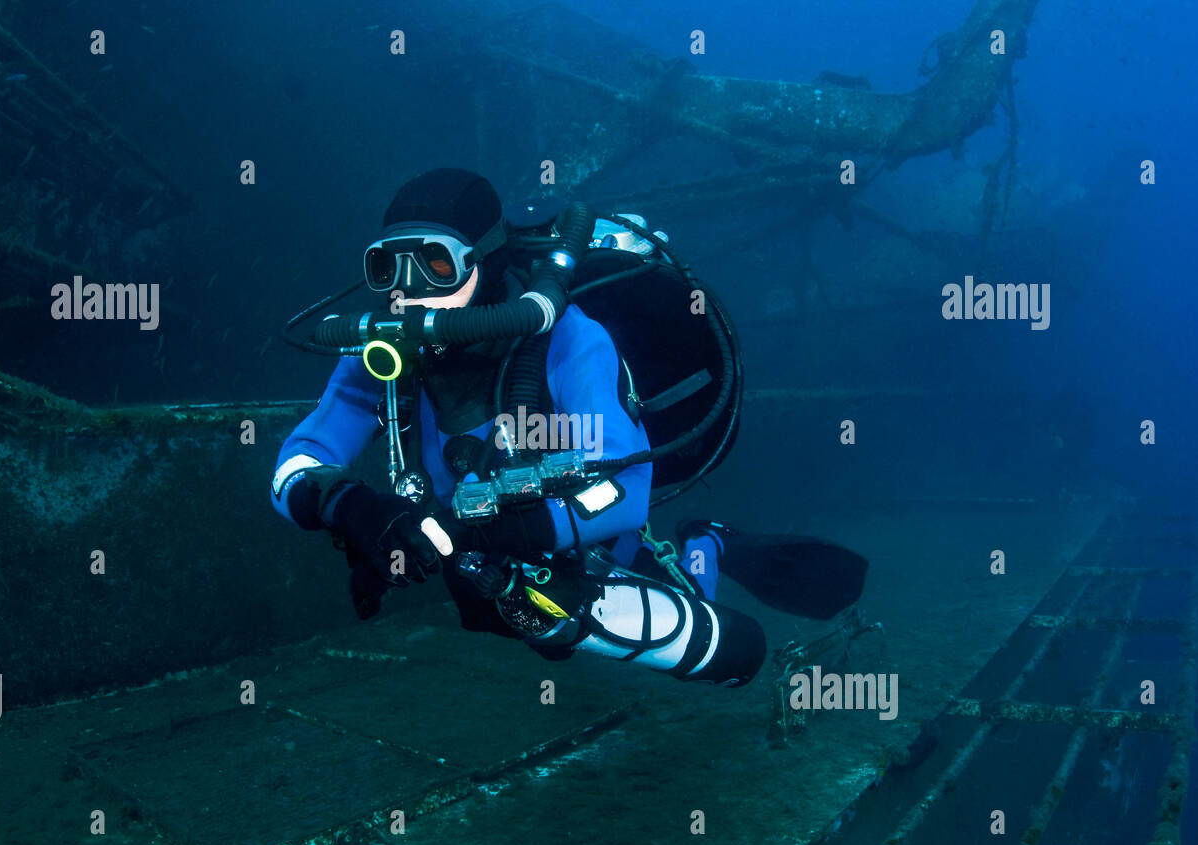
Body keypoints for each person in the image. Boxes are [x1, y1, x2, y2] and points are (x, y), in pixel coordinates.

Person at [271, 169, 865, 687]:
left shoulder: (569, 338)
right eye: (387, 266)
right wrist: (348, 508)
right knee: (534, 631)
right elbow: (303, 455)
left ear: (485, 259)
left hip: (581, 534)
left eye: (435, 263)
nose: (409, 293)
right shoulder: (380, 355)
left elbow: (621, 487)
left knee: (730, 654)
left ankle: (706, 545)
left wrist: (497, 532)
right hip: (477, 545)